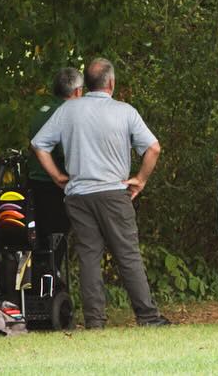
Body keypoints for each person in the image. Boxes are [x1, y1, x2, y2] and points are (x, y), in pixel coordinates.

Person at [31, 57, 172, 328]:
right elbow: (153, 148)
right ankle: (148, 317)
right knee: (128, 254)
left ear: (88, 82)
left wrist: (57, 176)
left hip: (78, 195)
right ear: (111, 83)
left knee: (88, 257)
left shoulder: (68, 110)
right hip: (113, 193)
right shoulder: (125, 111)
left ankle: (96, 321)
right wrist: (140, 180)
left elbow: (39, 145)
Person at [27, 66, 82, 266]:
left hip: (33, 182)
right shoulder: (65, 114)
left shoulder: (40, 111)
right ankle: (51, 289)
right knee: (54, 243)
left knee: (36, 241)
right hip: (54, 187)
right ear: (77, 92)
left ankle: (32, 288)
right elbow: (65, 154)